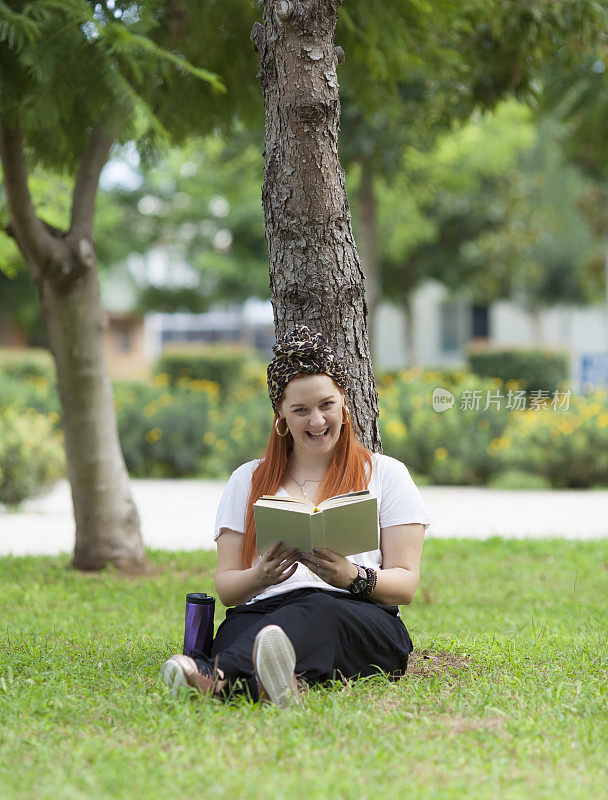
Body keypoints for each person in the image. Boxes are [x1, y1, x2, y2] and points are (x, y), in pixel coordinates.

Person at [161, 324, 430, 707]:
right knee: (246, 629)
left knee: (318, 609)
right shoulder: (247, 479)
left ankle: (213, 677)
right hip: (264, 607)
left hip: (358, 613)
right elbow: (226, 588)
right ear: (281, 418)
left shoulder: (386, 474)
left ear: (345, 404)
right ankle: (272, 685)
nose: (316, 421)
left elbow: (406, 585)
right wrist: (261, 576)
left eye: (326, 405)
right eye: (300, 410)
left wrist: (351, 576)